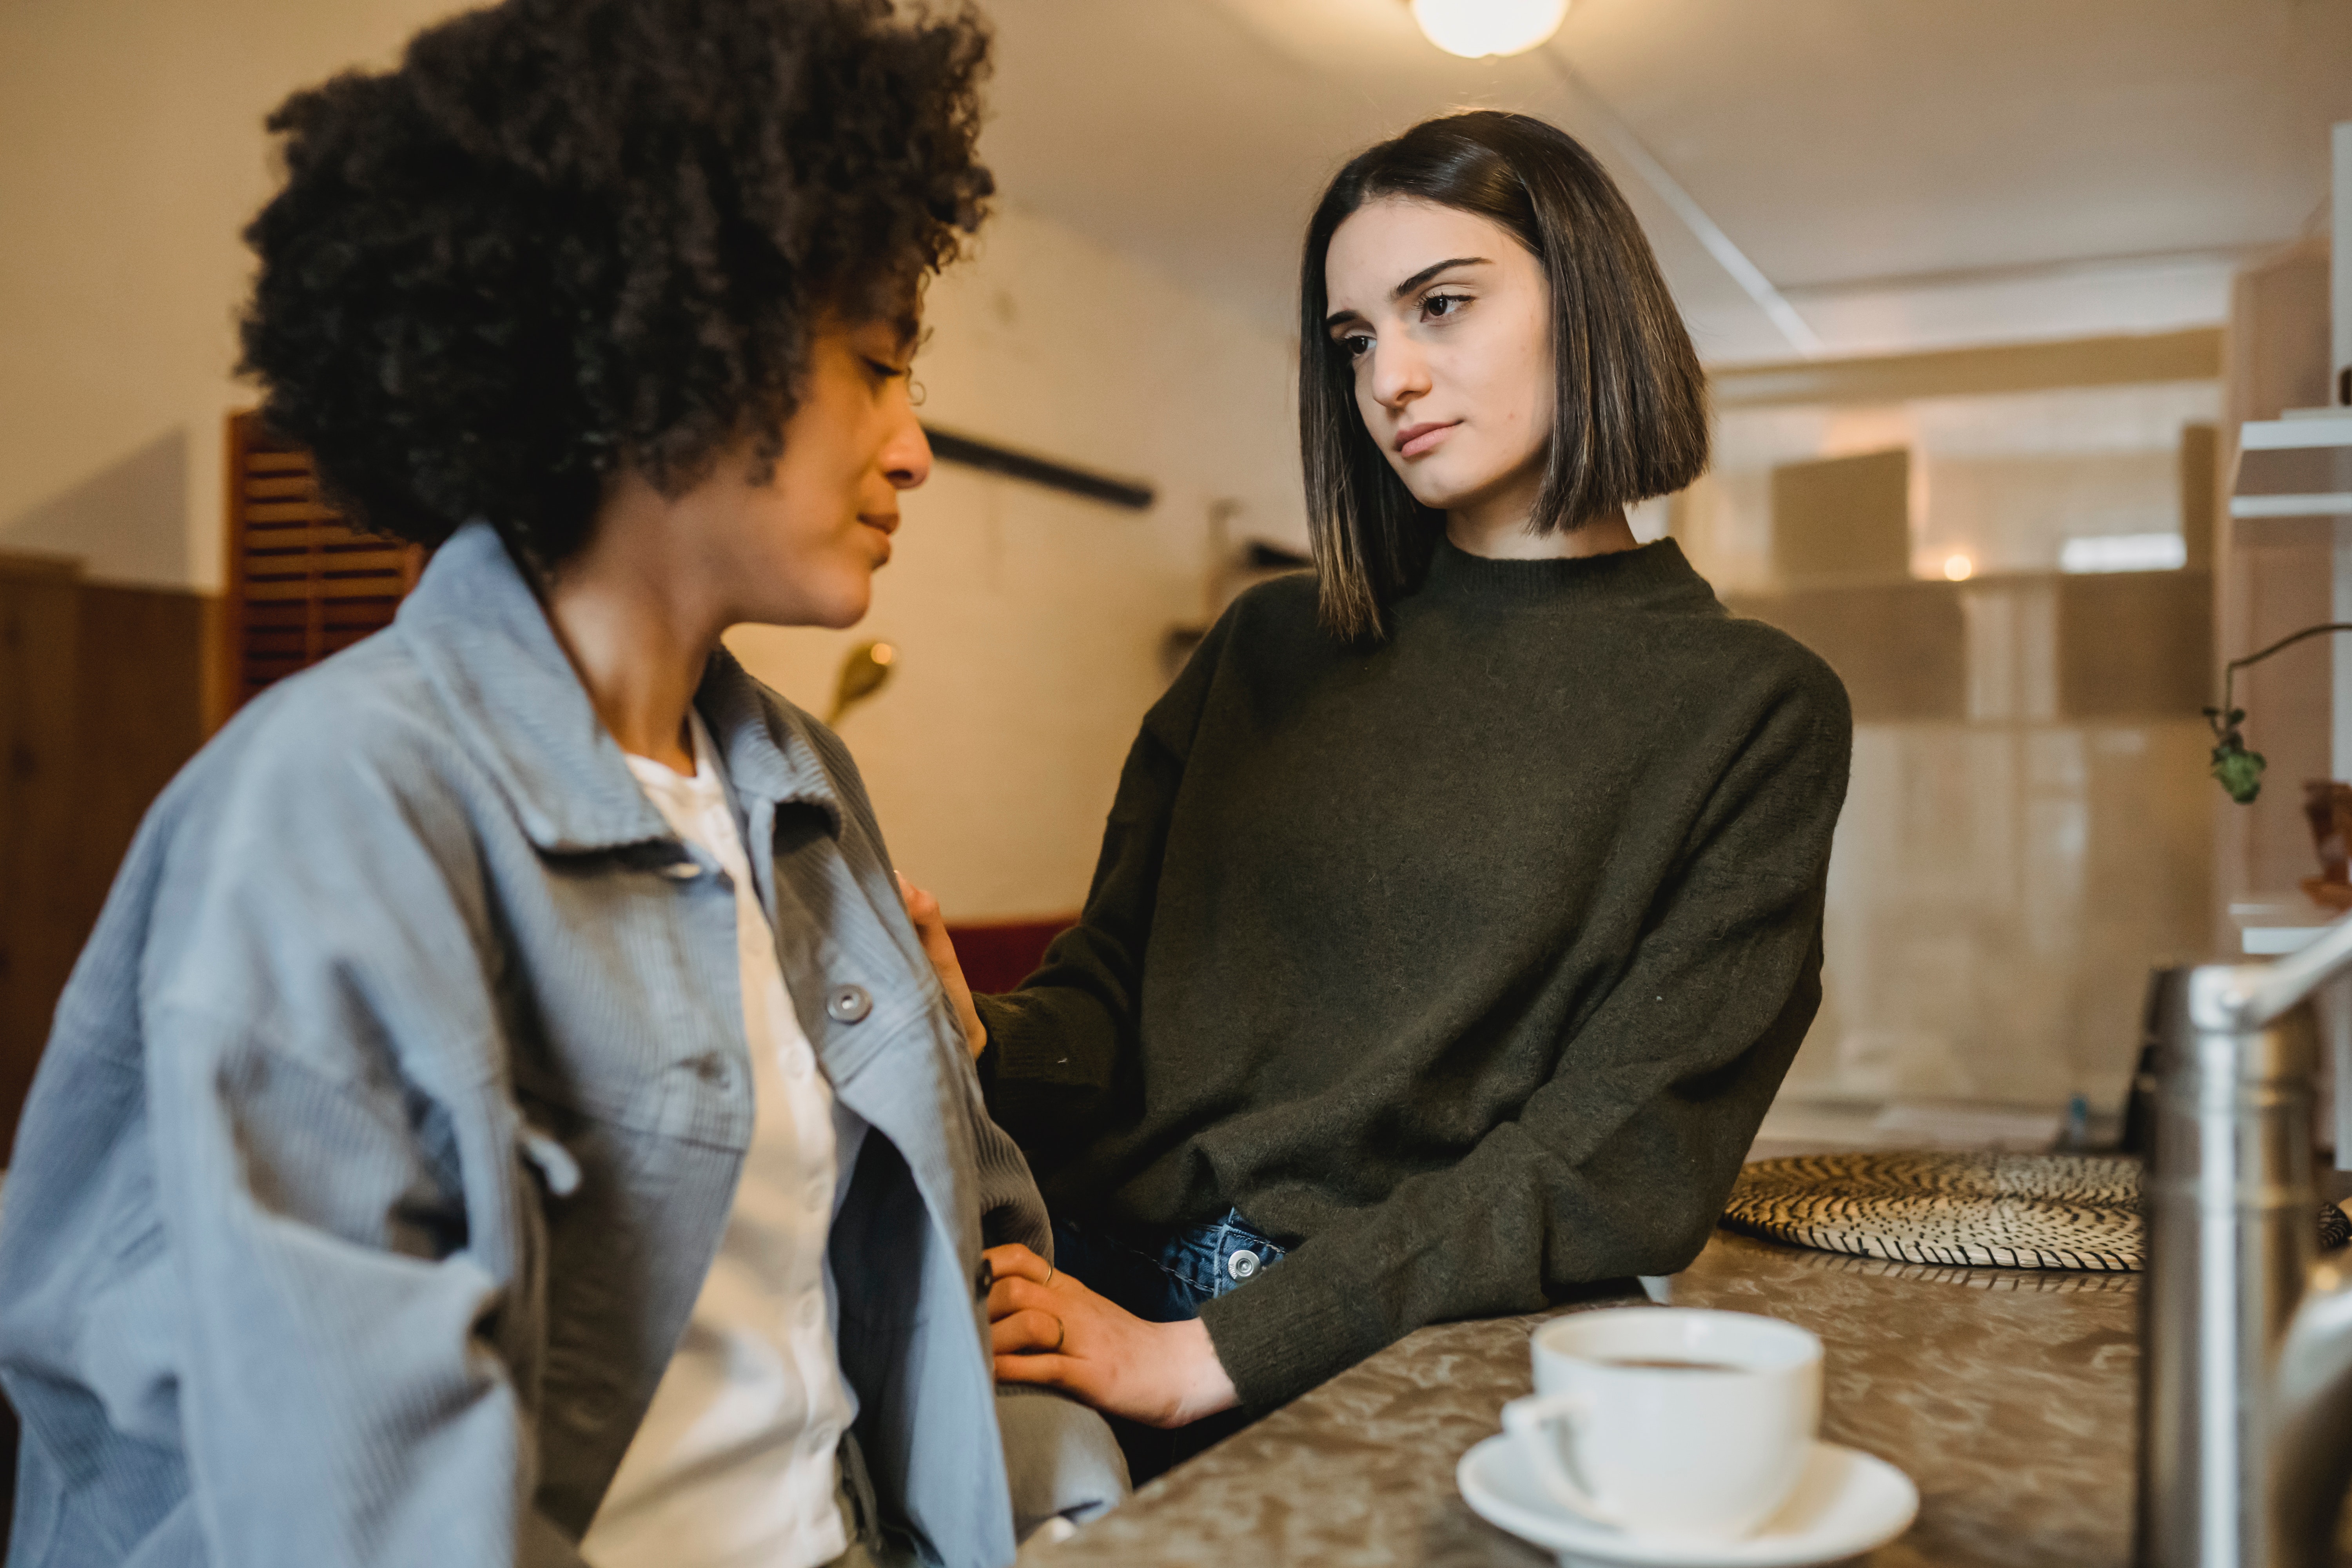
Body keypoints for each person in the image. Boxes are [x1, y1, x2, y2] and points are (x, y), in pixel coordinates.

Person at [0, 2, 1123, 1564]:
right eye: (876, 363)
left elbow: (929, 1262)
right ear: (671, 340)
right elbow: (360, 1512)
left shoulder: (801, 790)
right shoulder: (338, 805)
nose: (916, 445)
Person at [902, 110, 1855, 1474]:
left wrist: (1207, 1356)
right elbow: (1116, 1004)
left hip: (1384, 1352)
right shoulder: (1265, 646)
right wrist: (979, 1037)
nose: (1392, 375)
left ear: (1587, 302)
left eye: (1442, 306)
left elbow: (1614, 1166)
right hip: (1074, 1285)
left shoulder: (1753, 709)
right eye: (1353, 340)